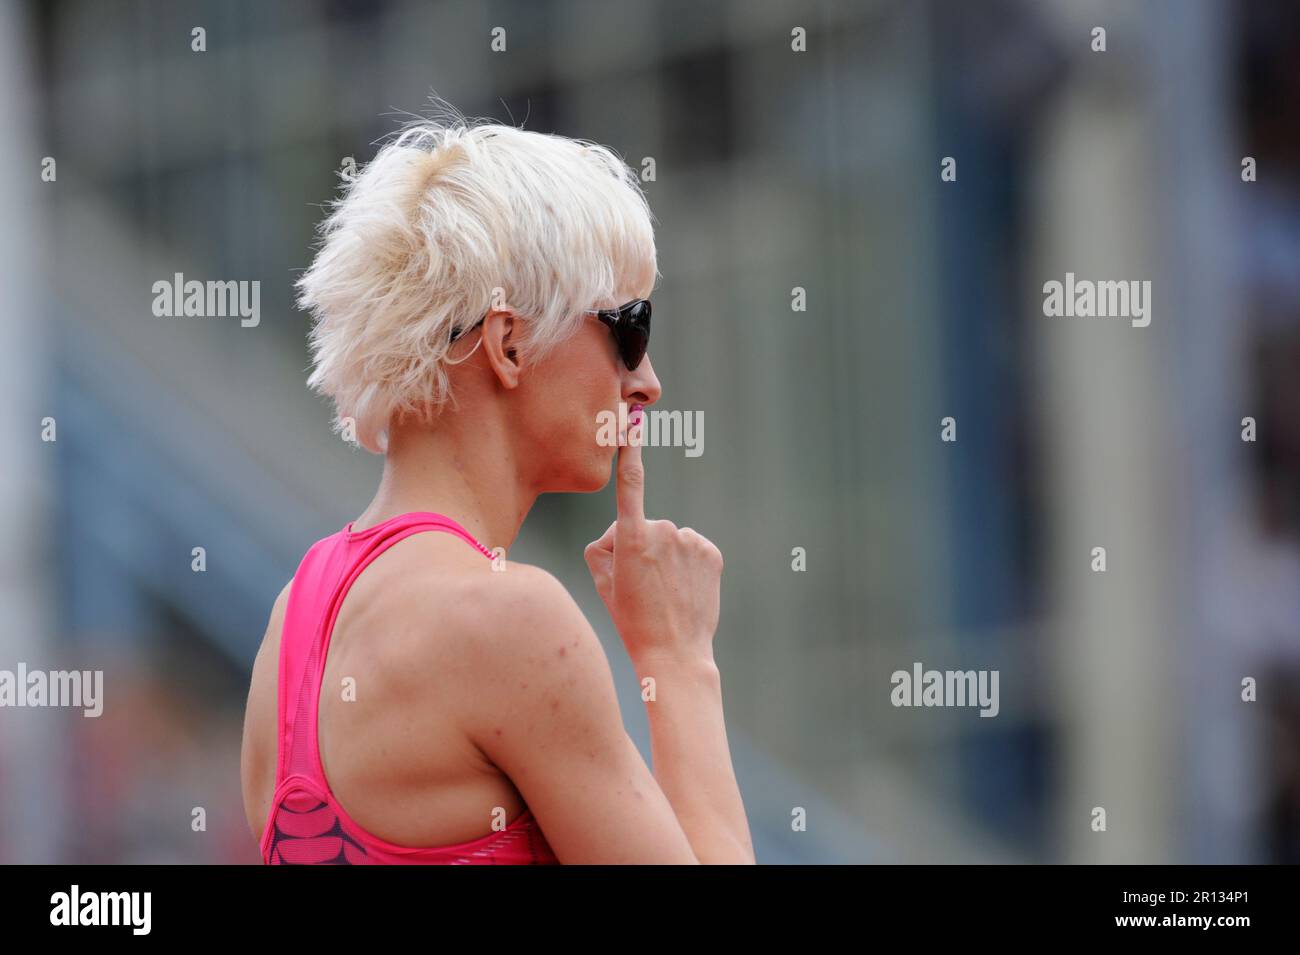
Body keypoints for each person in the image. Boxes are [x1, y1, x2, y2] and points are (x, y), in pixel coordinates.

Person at [239, 102, 754, 864]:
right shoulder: (508, 618)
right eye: (630, 329)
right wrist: (677, 657)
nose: (646, 381)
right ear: (508, 343)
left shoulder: (293, 623)